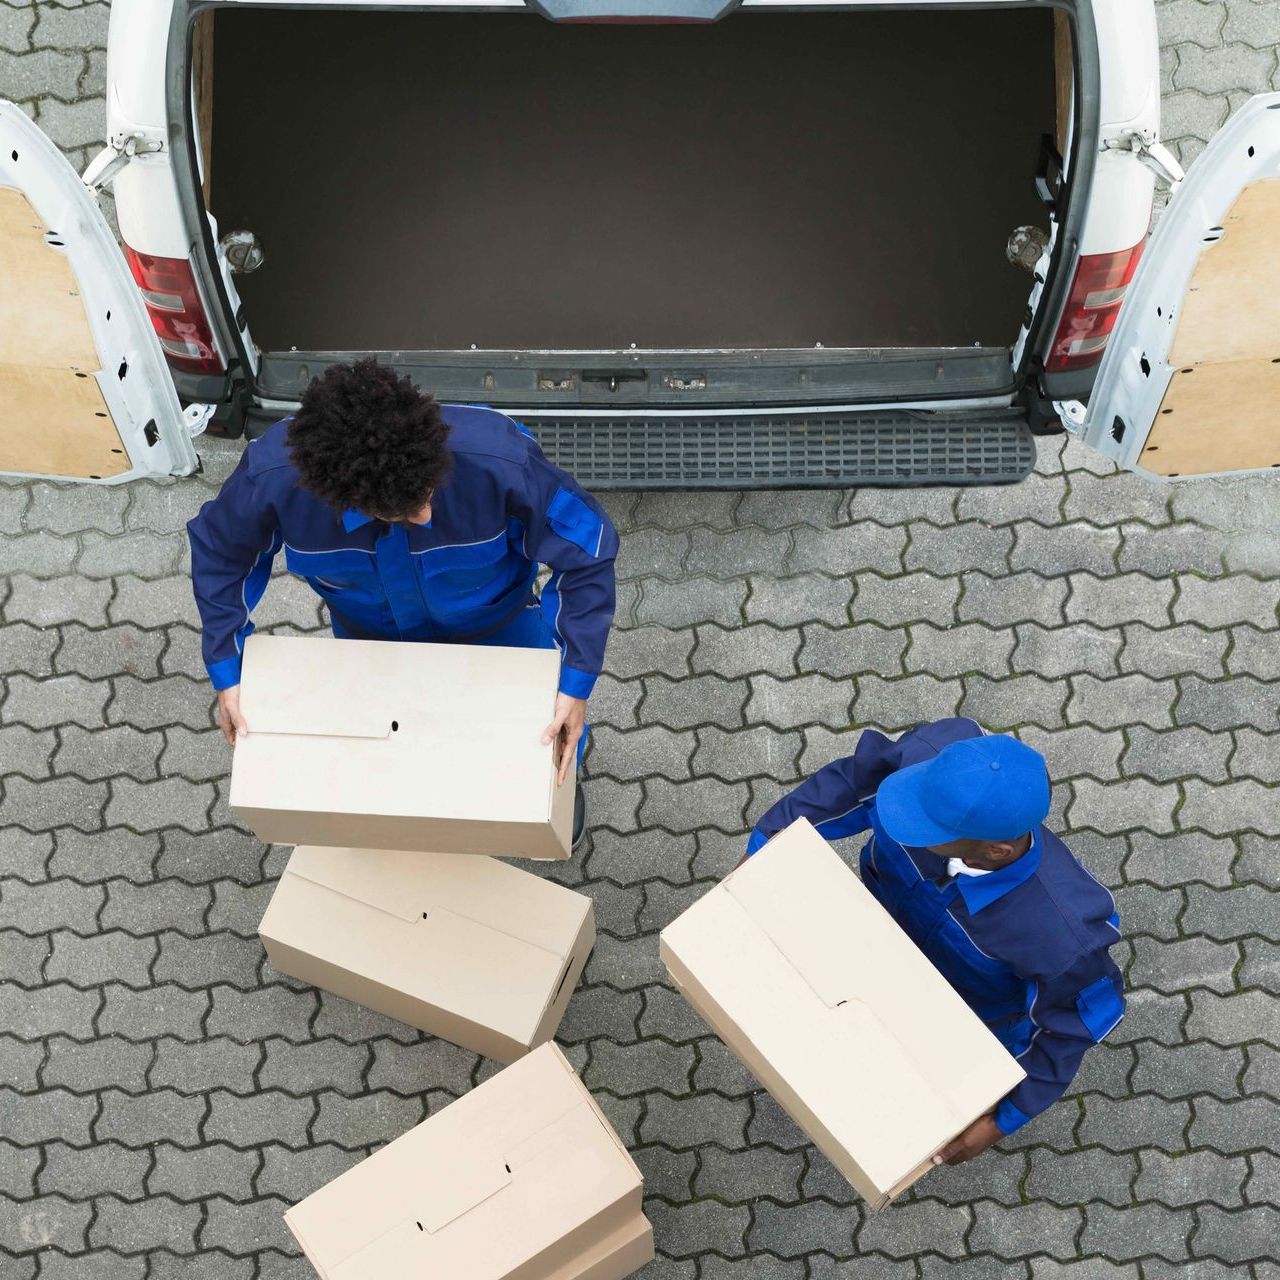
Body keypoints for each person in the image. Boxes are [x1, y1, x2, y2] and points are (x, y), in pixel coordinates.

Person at [187, 358, 617, 847]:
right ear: (339, 496)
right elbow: (222, 554)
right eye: (407, 510)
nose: (428, 511)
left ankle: (558, 791)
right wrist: (229, 669)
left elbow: (588, 551)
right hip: (369, 645)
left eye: (429, 491)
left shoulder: (501, 459)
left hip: (503, 632)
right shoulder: (273, 477)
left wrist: (575, 685)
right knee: (389, 757)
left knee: (543, 738)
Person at [745, 718, 1124, 1165]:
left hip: (960, 1010)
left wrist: (1002, 1118)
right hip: (872, 934)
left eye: (926, 828)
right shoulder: (936, 758)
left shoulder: (1064, 935)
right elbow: (852, 784)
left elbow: (1068, 1029)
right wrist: (765, 848)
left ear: (994, 850)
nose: (899, 818)